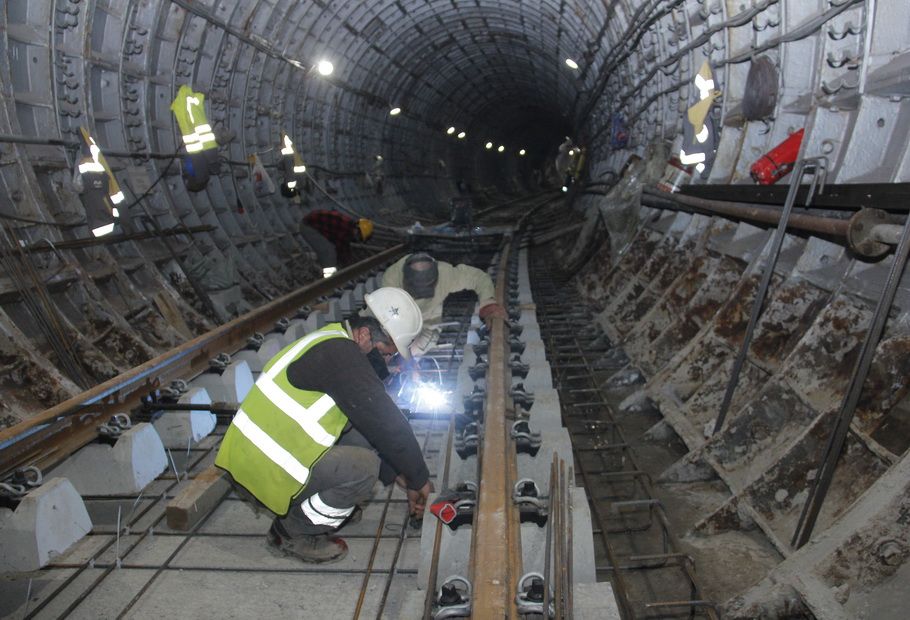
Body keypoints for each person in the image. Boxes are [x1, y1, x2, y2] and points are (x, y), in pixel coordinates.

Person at [214, 287, 432, 564]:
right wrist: (418, 477)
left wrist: (397, 472)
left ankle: (331, 500)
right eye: (387, 354)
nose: (389, 363)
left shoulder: (331, 339)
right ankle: (292, 532)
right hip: (268, 466)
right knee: (364, 469)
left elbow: (365, 426)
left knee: (365, 442)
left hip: (254, 456)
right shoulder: (343, 358)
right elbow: (387, 423)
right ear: (365, 335)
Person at [381, 253, 508, 356]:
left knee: (420, 347)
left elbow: (478, 278)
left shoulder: (445, 274)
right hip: (400, 318)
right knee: (391, 349)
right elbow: (388, 317)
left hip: (427, 320)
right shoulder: (391, 281)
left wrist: (488, 304)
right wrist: (395, 342)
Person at [300, 209, 374, 277]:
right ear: (358, 231)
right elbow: (341, 248)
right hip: (308, 227)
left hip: (315, 226)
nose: (355, 239)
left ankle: (329, 274)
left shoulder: (348, 227)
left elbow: (342, 248)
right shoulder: (345, 228)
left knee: (330, 252)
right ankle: (330, 280)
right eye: (358, 238)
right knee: (329, 252)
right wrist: (348, 267)